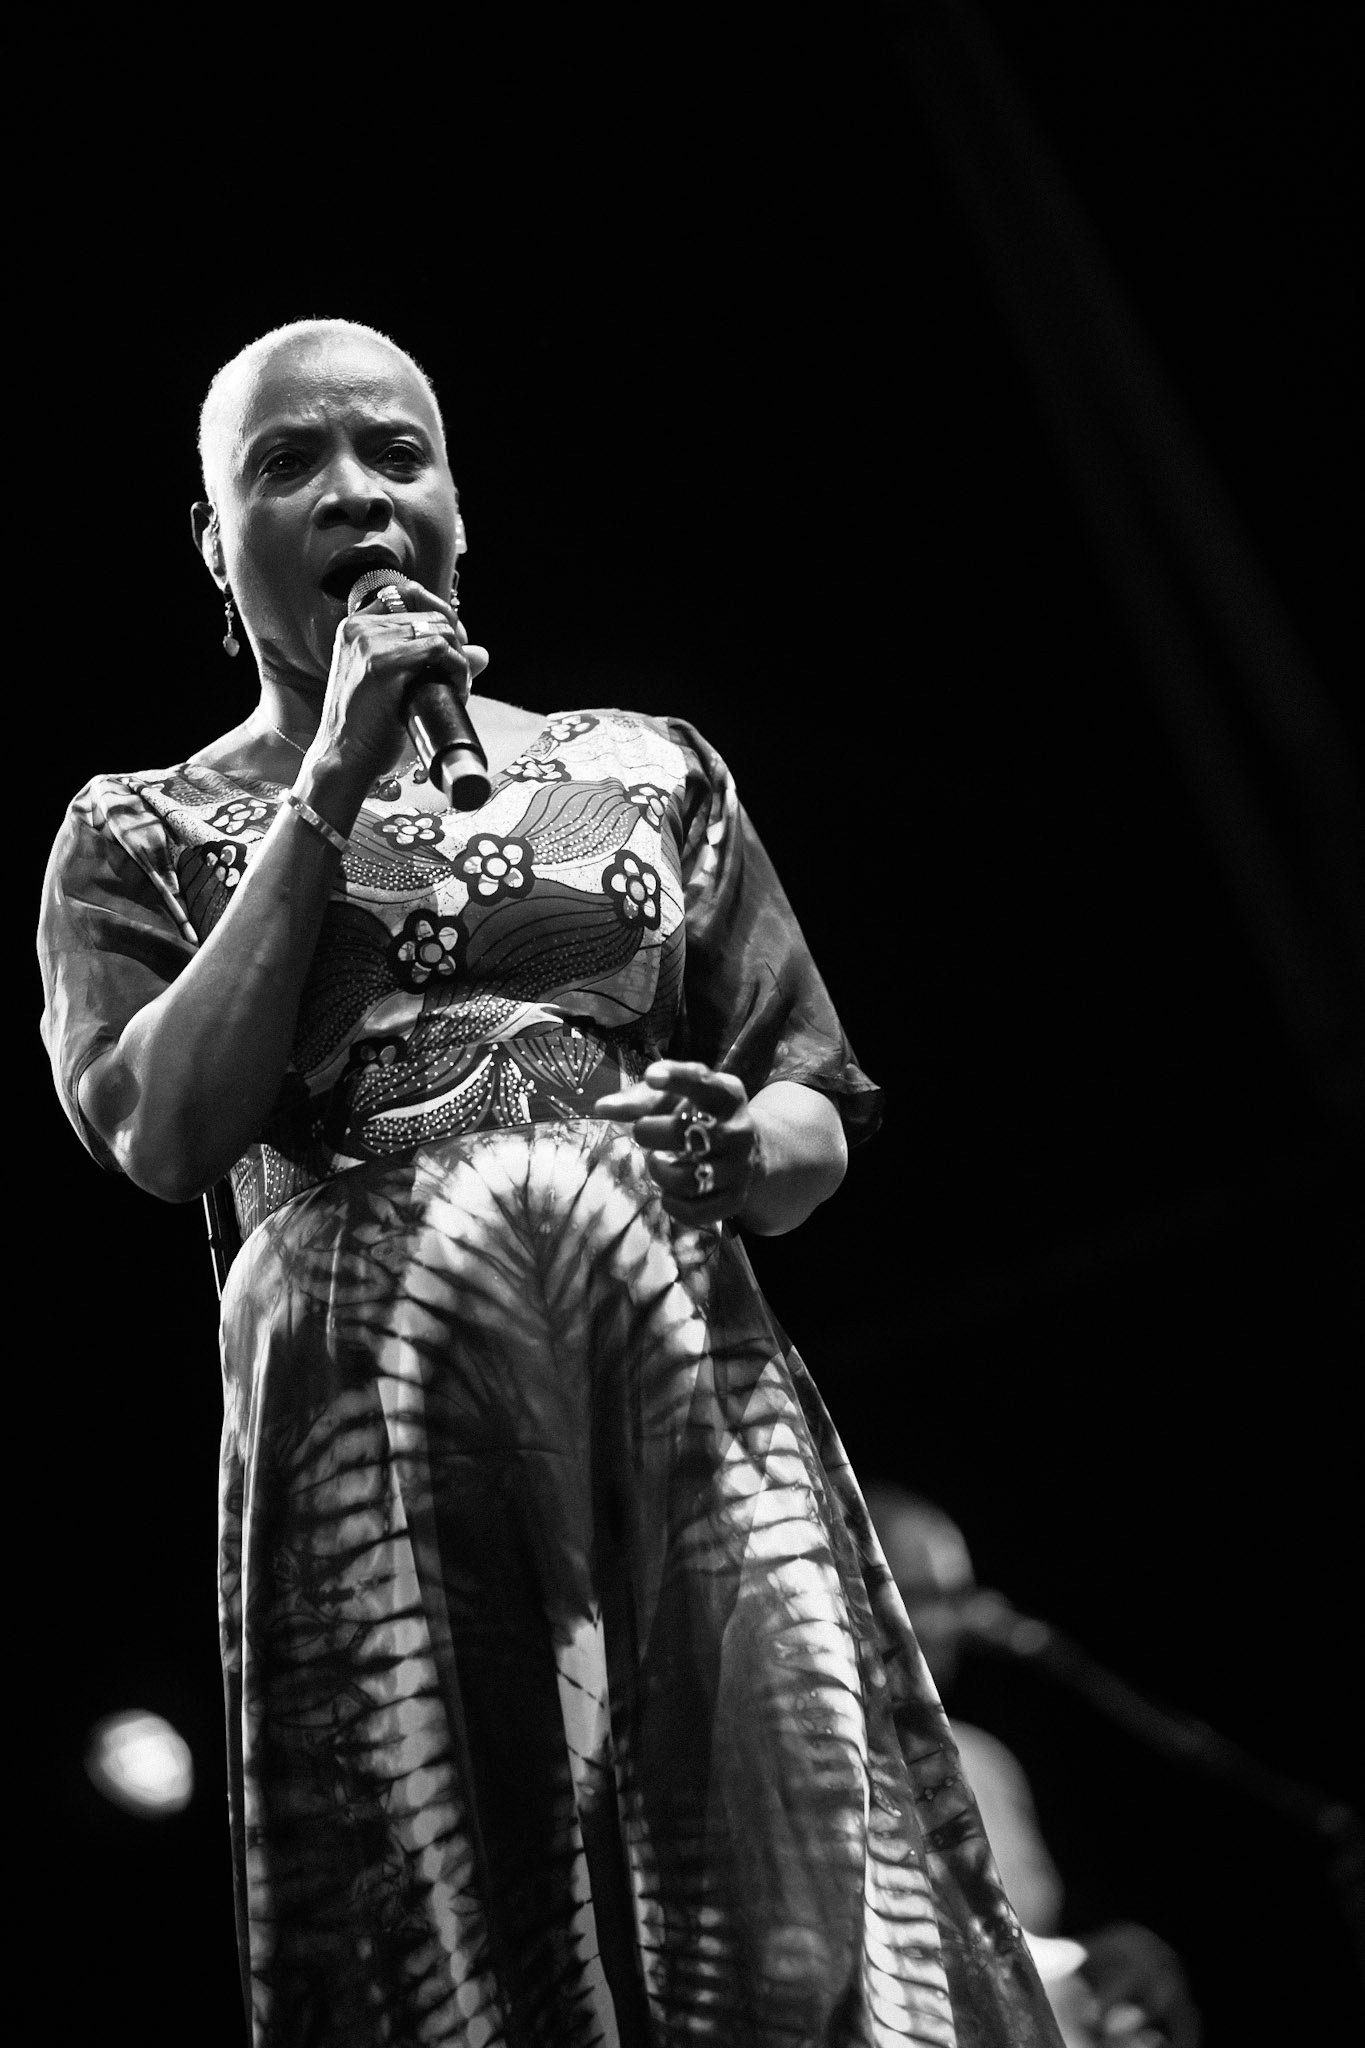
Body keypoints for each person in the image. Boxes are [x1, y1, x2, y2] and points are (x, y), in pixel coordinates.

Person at [38, 317, 1065, 2047]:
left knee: (787, 1895)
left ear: (454, 505)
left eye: (395, 451)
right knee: (483, 1914)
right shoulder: (137, 829)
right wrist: (332, 777)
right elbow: (160, 1129)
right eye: (288, 464)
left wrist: (746, 1150)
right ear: (215, 542)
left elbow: (815, 1099)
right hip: (390, 1440)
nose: (354, 488)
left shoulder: (645, 766)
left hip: (674, 1394)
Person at [862, 1485, 1203, 2048]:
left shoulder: (984, 1763)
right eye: (921, 1596)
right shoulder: (831, 1776)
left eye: (960, 1595)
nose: (954, 1623)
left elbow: (1018, 1952)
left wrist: (1094, 1984)